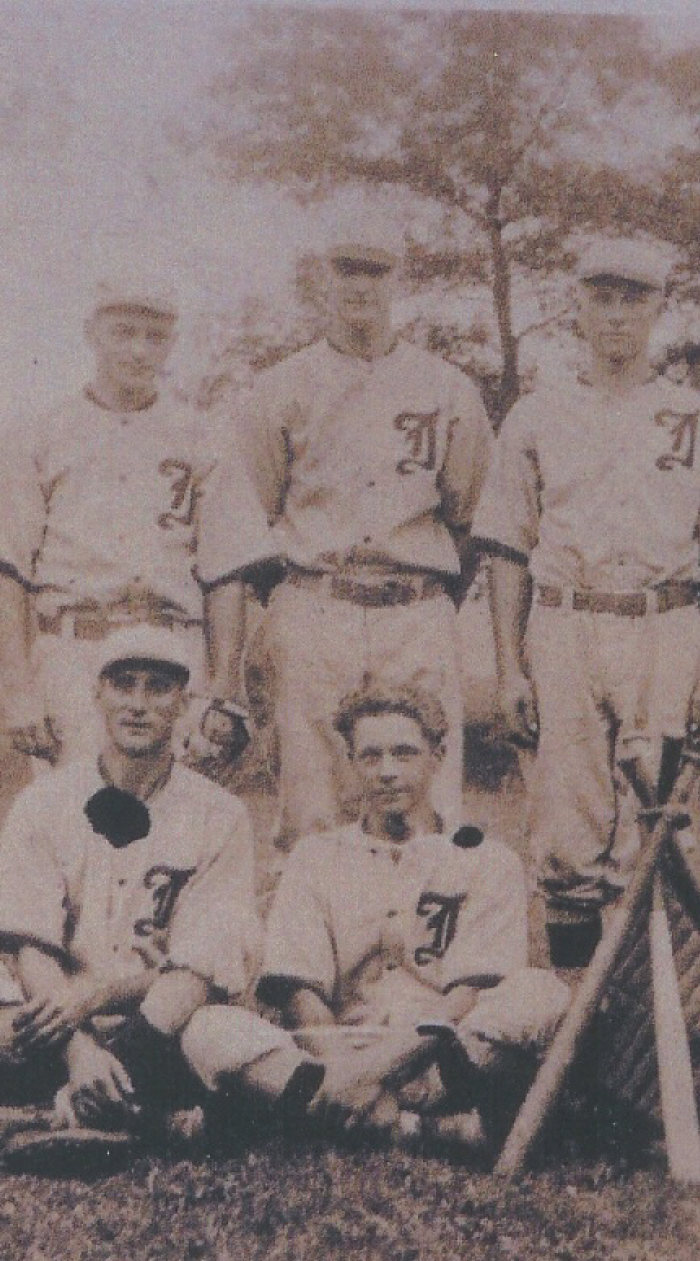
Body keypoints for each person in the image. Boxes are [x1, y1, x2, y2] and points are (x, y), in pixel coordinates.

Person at [472, 236, 700, 972]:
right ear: (580, 308)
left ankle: (646, 1017)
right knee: (566, 830)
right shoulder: (537, 415)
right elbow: (506, 547)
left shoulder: (699, 416)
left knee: (656, 829)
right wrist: (509, 668)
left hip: (665, 621)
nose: (618, 314)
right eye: (603, 298)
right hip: (565, 620)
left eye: (634, 299)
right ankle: (577, 1008)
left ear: (658, 308)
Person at [0, 627, 261, 1173]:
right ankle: (141, 1118)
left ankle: (52, 1115)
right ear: (97, 694)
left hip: (158, 1026)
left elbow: (200, 966)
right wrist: (77, 1048)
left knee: (218, 953)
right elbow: (32, 948)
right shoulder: (44, 801)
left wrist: (96, 995)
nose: (138, 704)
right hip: (53, 1030)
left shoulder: (220, 814)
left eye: (158, 687)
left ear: (185, 702)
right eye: (124, 684)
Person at [179, 686, 569, 1154]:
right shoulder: (315, 855)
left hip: (437, 1058)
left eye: (404, 753)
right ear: (350, 761)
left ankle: (338, 1115)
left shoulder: (487, 859)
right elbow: (302, 994)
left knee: (540, 994)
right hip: (332, 1052)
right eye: (370, 756)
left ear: (438, 756)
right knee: (208, 1026)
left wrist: (375, 1071)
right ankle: (414, 1128)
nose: (387, 771)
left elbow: (467, 995)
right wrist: (344, 1069)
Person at [231, 238, 496, 850]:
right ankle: (312, 913)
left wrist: (425, 593)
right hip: (316, 603)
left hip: (416, 605)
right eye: (346, 270)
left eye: (374, 272)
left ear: (394, 282)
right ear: (324, 281)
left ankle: (425, 910)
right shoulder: (282, 386)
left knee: (427, 794)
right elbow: (251, 521)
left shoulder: (446, 387)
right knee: (313, 802)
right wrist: (298, 597)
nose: (359, 285)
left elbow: (470, 520)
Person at [0, 280, 278, 772]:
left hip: (174, 649)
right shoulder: (40, 431)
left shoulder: (202, 434)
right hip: (76, 651)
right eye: (124, 333)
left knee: (175, 810)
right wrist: (20, 691)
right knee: (77, 809)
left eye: (155, 337)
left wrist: (222, 692)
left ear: (172, 343)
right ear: (92, 334)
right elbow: (6, 567)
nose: (139, 350)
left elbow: (227, 573)